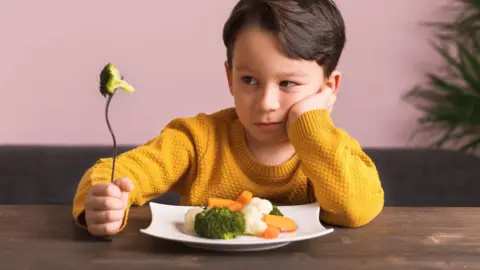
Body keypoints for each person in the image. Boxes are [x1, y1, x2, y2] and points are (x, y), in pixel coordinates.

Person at [73, 0, 384, 236]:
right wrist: (104, 200)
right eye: (249, 80)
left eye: (288, 83)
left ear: (327, 87)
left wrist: (310, 125)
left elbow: (355, 210)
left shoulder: (331, 151)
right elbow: (120, 171)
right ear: (229, 77)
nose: (266, 103)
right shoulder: (197, 140)